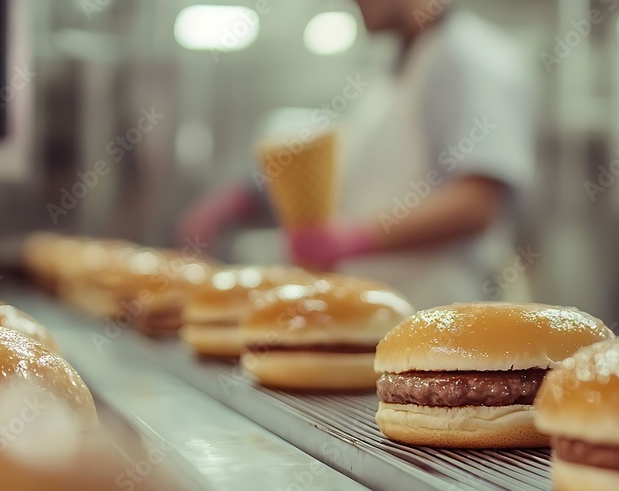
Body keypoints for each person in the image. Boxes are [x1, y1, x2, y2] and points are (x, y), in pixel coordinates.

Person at [179, 0, 535, 309]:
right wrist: (248, 196)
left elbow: (477, 202)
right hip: (382, 308)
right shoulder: (396, 66)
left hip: (440, 317)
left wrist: (352, 238)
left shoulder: (469, 60)